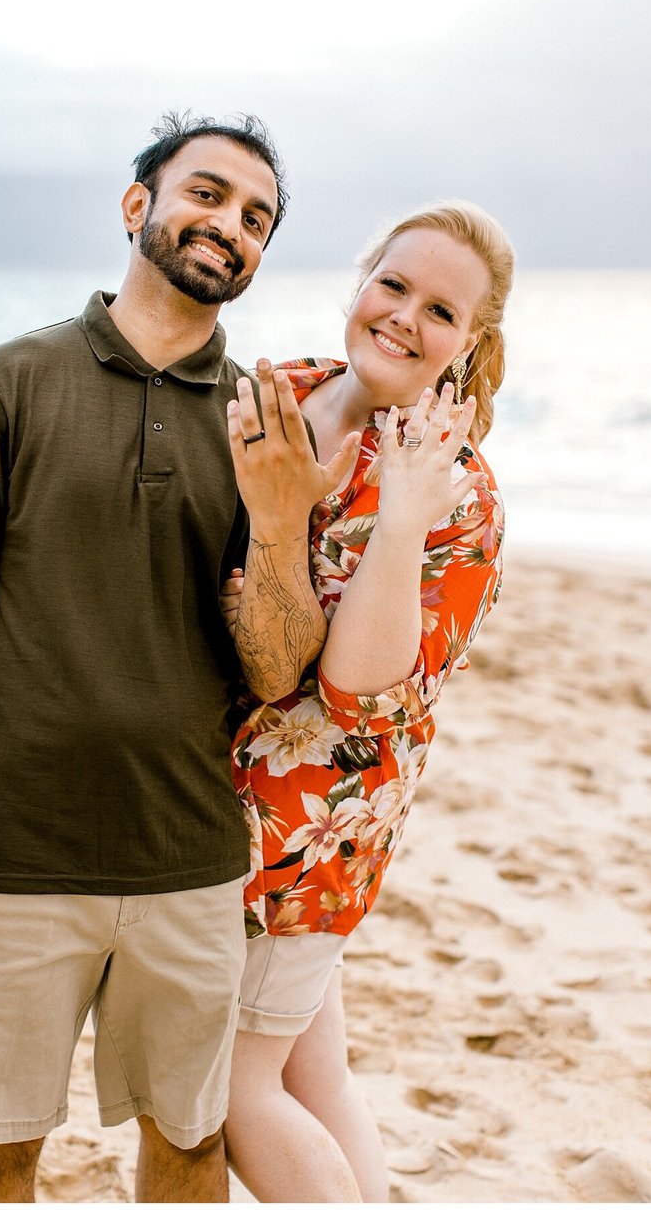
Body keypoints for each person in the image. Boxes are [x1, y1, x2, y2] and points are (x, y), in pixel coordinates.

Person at [0, 111, 358, 1205]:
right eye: (207, 194)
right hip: (7, 857)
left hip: (186, 858)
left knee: (187, 1148)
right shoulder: (11, 381)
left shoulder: (264, 422)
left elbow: (278, 667)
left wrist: (280, 522)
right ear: (138, 204)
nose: (228, 225)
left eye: (256, 218)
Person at [219, 202, 514, 1202]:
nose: (402, 317)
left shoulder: (462, 496)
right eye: (392, 284)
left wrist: (400, 513)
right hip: (204, 792)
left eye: (439, 310)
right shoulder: (274, 394)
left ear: (467, 344)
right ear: (358, 282)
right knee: (314, 1072)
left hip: (306, 834)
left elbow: (355, 693)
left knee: (232, 1088)